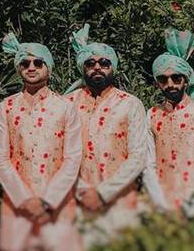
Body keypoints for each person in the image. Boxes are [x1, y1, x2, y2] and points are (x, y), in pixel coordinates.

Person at [0, 32, 82, 251]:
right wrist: (25, 199)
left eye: (38, 62)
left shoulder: (65, 107)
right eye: (25, 63)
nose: (31, 67)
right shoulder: (5, 107)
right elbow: (0, 157)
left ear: (48, 68)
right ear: (19, 68)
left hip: (57, 203)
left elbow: (72, 158)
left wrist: (46, 201)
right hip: (17, 203)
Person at [63, 24, 148, 247]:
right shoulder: (66, 104)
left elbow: (139, 156)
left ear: (113, 66)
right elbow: (58, 154)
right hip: (76, 200)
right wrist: (84, 192)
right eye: (90, 63)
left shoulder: (131, 104)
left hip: (120, 200)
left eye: (104, 62)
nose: (97, 67)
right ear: (83, 68)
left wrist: (102, 193)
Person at [143, 28, 194, 217]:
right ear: (157, 83)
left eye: (176, 78)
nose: (170, 84)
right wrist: (162, 206)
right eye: (163, 79)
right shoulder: (152, 114)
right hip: (162, 208)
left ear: (186, 80)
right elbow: (149, 164)